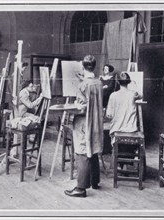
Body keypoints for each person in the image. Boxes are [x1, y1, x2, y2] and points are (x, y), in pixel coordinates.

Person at [64, 55, 104, 198]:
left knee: (82, 153)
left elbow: (81, 108)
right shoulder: (99, 83)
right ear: (94, 66)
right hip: (96, 123)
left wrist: (70, 107)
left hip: (84, 123)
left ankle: (81, 188)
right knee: (92, 150)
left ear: (83, 67)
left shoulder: (82, 85)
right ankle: (95, 181)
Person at [106, 71, 142, 168]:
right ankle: (126, 162)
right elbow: (141, 95)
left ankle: (120, 164)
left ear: (118, 82)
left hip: (117, 130)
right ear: (129, 82)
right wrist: (134, 84)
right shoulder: (133, 94)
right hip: (131, 130)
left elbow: (109, 115)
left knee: (116, 142)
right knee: (129, 147)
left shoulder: (113, 95)